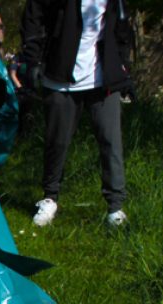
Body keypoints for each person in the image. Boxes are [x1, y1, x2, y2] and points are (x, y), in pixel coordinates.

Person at [20, 0, 133, 226]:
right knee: (57, 142)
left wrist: (123, 64)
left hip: (103, 78)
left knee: (111, 141)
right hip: (60, 76)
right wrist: (32, 59)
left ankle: (115, 207)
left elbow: (122, 26)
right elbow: (33, 18)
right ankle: (50, 198)